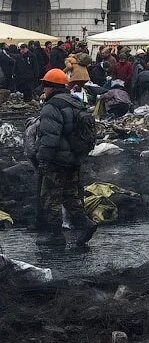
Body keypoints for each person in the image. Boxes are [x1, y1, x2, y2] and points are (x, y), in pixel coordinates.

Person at [35, 69, 98, 245]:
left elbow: (50, 137)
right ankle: (84, 224)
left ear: (51, 87)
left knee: (50, 196)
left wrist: (43, 159)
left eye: (45, 85)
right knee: (70, 194)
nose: (43, 89)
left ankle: (55, 236)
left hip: (58, 160)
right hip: (75, 158)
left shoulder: (51, 106)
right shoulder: (74, 102)